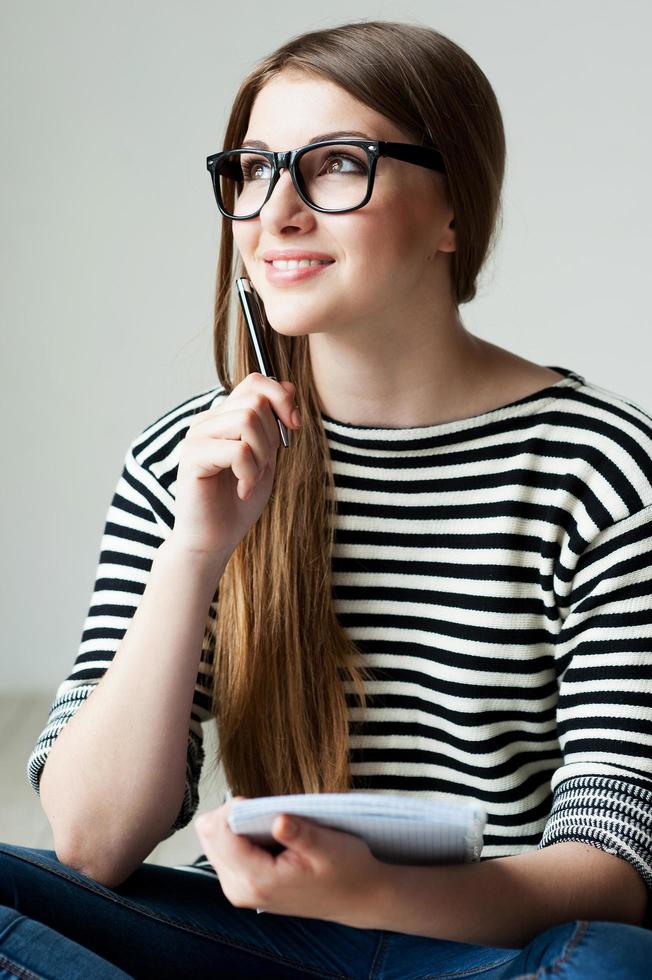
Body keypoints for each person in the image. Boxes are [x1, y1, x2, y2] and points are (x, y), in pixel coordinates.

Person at [2, 18, 651, 979]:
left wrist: (368, 892)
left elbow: (616, 863)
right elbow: (96, 842)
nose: (278, 212)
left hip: (493, 949)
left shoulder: (601, 464)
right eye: (255, 170)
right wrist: (194, 552)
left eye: (337, 165)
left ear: (452, 213)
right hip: (264, 943)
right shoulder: (194, 459)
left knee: (607, 961)